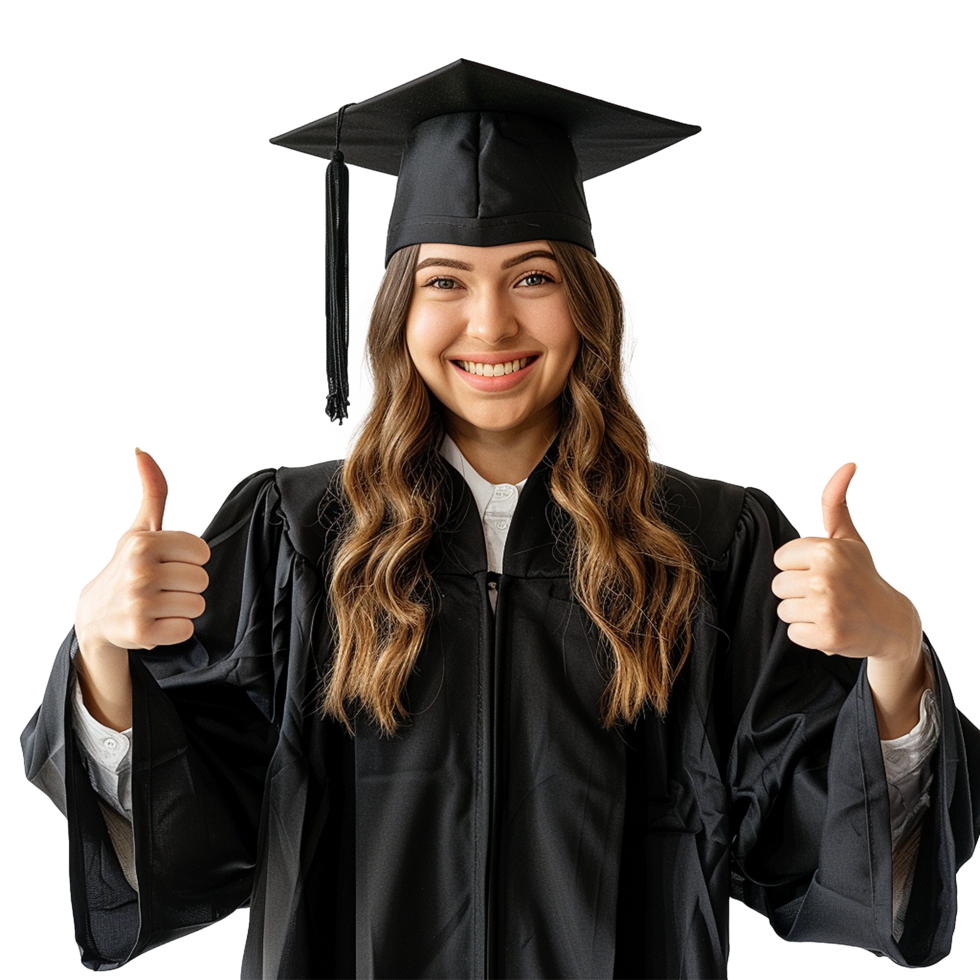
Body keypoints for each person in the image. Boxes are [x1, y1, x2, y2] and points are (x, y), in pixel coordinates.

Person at [20, 60, 979, 978]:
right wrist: (102, 651)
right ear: (395, 310)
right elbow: (197, 834)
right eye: (444, 281)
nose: (489, 327)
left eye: (533, 277)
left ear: (589, 305)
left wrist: (896, 664)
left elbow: (808, 845)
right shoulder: (294, 533)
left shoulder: (708, 544)